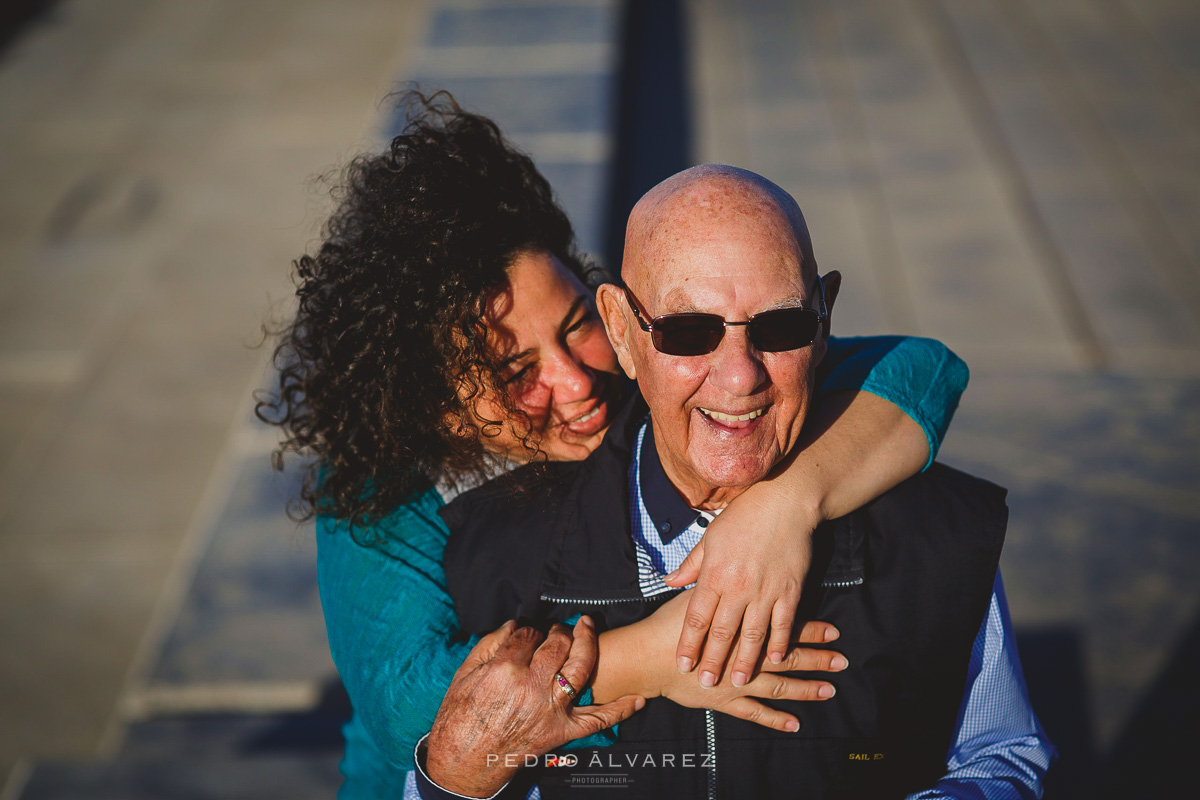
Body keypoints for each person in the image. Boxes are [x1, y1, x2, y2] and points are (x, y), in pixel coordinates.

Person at [259, 92, 972, 797]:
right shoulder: (380, 495)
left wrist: (788, 504)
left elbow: (923, 371)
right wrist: (658, 656)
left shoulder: (664, 359)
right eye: (516, 372)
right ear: (436, 406)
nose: (576, 382)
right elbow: (408, 711)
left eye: (575, 325)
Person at [423, 165, 1055, 799]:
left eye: (780, 327)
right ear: (619, 327)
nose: (739, 377)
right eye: (687, 332)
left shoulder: (933, 532)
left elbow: (997, 757)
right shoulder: (484, 553)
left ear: (824, 315)